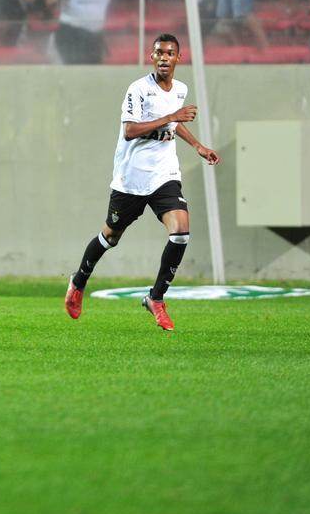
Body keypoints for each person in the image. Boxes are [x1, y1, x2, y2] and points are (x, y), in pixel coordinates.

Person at [64, 33, 221, 331]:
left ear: (178, 58)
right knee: (110, 237)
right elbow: (130, 130)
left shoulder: (180, 90)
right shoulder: (138, 90)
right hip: (131, 179)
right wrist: (172, 116)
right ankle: (79, 280)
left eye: (170, 53)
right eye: (159, 52)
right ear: (152, 57)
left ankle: (156, 297)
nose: (164, 57)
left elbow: (173, 125)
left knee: (181, 232)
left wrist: (198, 145)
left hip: (164, 175)